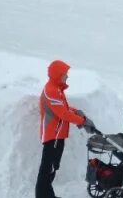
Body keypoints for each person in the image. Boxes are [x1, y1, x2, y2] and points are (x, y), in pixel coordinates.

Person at [36, 60, 94, 198]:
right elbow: (63, 114)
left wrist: (77, 112)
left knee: (52, 168)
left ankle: (47, 195)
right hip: (53, 136)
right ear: (57, 75)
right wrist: (83, 121)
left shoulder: (56, 89)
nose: (67, 77)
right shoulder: (52, 91)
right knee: (47, 169)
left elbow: (64, 109)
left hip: (57, 136)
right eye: (65, 74)